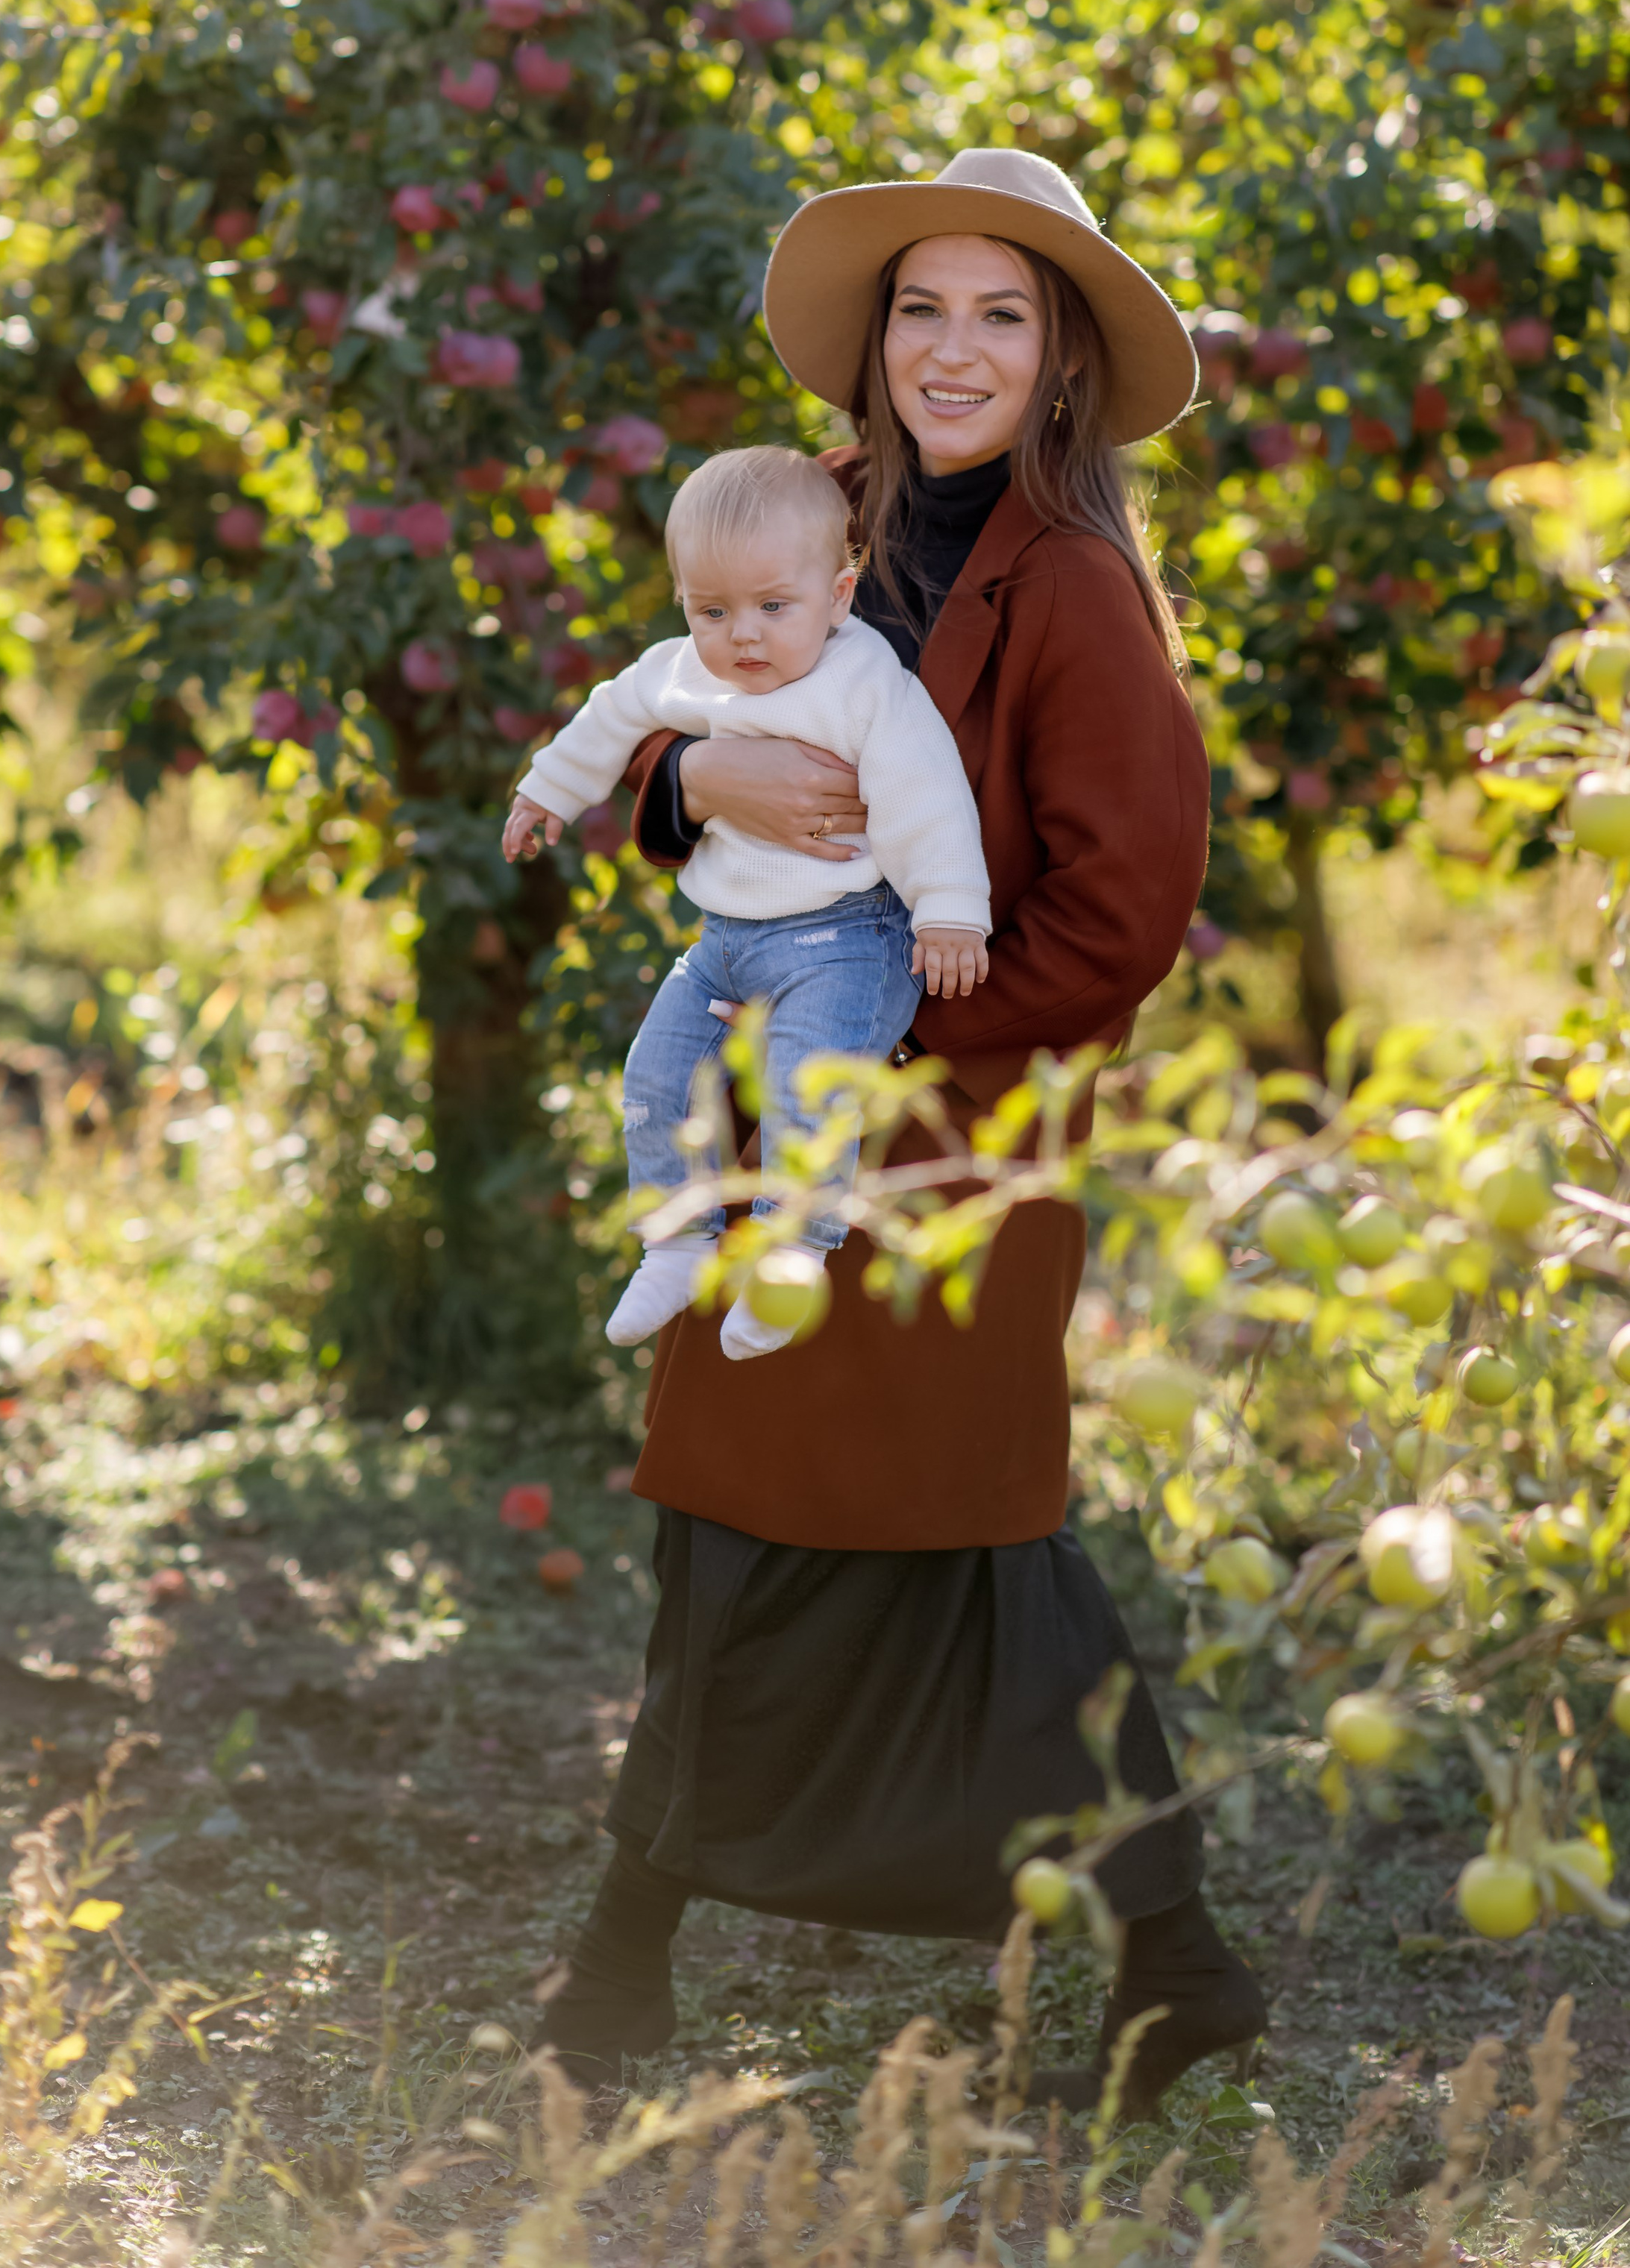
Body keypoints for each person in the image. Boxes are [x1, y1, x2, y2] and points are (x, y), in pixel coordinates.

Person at [536, 147, 1267, 2120]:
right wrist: (705, 789)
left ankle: (641, 1965)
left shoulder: (1080, 591)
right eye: (924, 306)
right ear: (879, 339)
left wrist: (890, 1061)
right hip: (784, 1123)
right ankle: (637, 1960)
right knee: (744, 1513)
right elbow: (681, 767)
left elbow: (1122, 919)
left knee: (969, 1556)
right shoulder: (814, 524)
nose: (954, 346)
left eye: (1002, 315)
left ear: (1060, 368)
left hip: (944, 1153)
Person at [501, 445, 991, 1356]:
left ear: (839, 596)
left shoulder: (864, 683)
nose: (744, 637)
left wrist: (951, 910)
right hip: (725, 941)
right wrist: (547, 792)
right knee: (657, 1077)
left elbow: (928, 793)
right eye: (712, 610)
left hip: (846, 941)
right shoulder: (685, 668)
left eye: (774, 607)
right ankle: (677, 1240)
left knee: (809, 1093)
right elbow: (610, 716)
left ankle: (790, 1256)